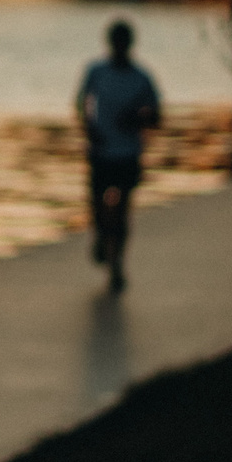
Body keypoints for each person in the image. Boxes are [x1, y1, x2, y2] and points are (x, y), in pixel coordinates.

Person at [77, 19, 161, 290]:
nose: (119, 47)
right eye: (116, 42)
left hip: (128, 153)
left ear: (130, 44)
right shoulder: (96, 72)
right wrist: (89, 128)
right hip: (101, 151)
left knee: (123, 210)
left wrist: (136, 119)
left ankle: (117, 266)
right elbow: (81, 103)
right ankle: (101, 237)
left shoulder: (141, 78)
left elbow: (156, 117)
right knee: (97, 205)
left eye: (123, 42)